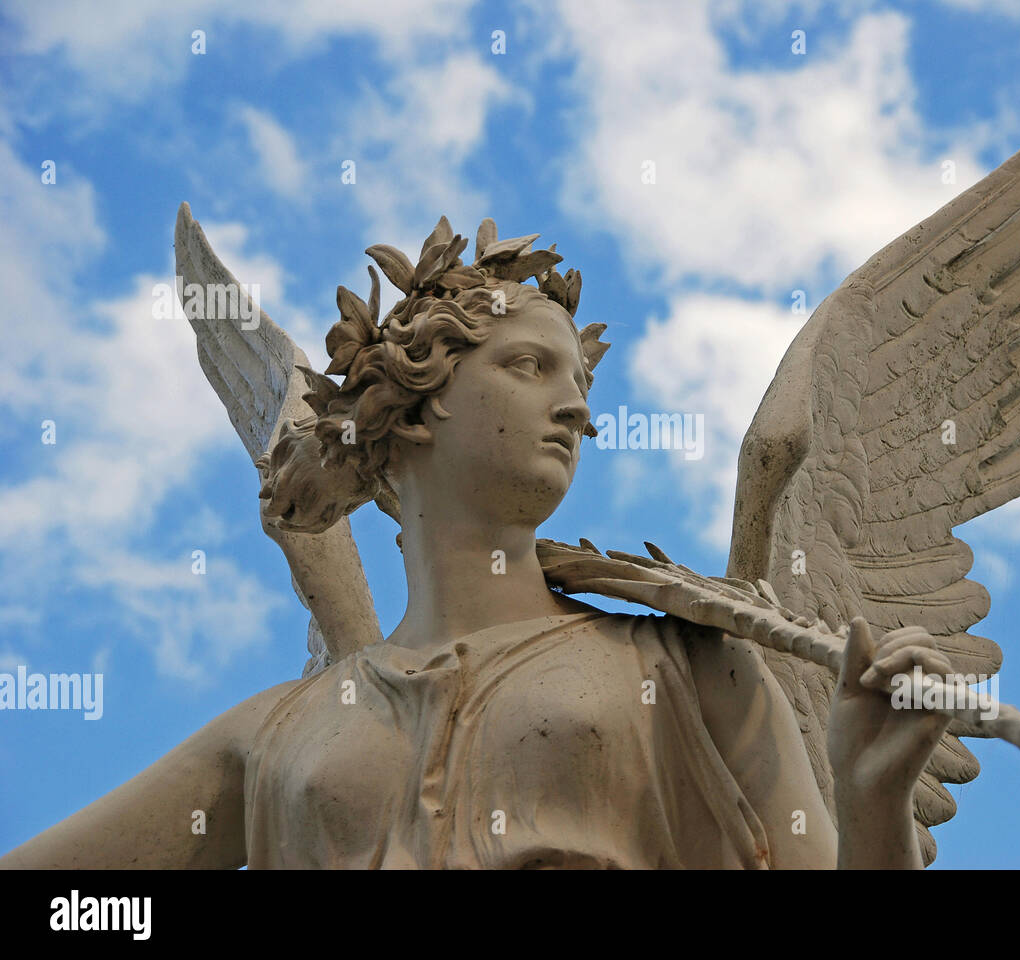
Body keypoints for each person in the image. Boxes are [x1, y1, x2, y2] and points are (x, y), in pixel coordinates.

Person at [0, 226, 954, 869]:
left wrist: (872, 800)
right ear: (411, 406)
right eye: (529, 366)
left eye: (576, 378)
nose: (576, 405)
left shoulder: (689, 670)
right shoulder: (275, 734)